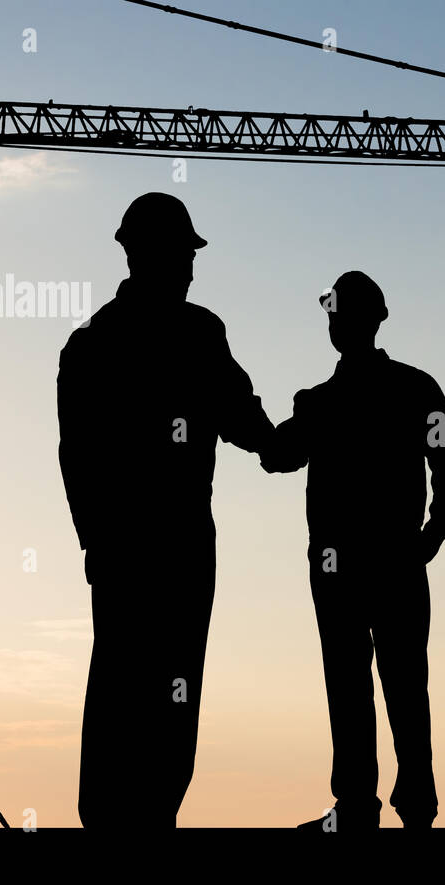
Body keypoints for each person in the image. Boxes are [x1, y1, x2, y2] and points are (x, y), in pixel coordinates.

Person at [58, 192, 274, 828]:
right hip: (164, 545)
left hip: (135, 547)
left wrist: (95, 543)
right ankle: (138, 817)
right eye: (182, 254)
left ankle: (125, 818)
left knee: (127, 686)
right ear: (147, 255)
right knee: (163, 688)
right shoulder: (185, 334)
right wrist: (286, 442)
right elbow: (241, 416)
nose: (188, 267)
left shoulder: (96, 342)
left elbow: (77, 457)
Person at [260, 271, 445, 830]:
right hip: (393, 563)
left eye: (338, 315)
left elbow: (277, 456)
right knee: (401, 683)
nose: (336, 323)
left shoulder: (327, 403)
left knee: (352, 682)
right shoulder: (410, 388)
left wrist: (250, 419)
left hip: (344, 567)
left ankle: (361, 806)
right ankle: (409, 806)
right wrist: (431, 534)